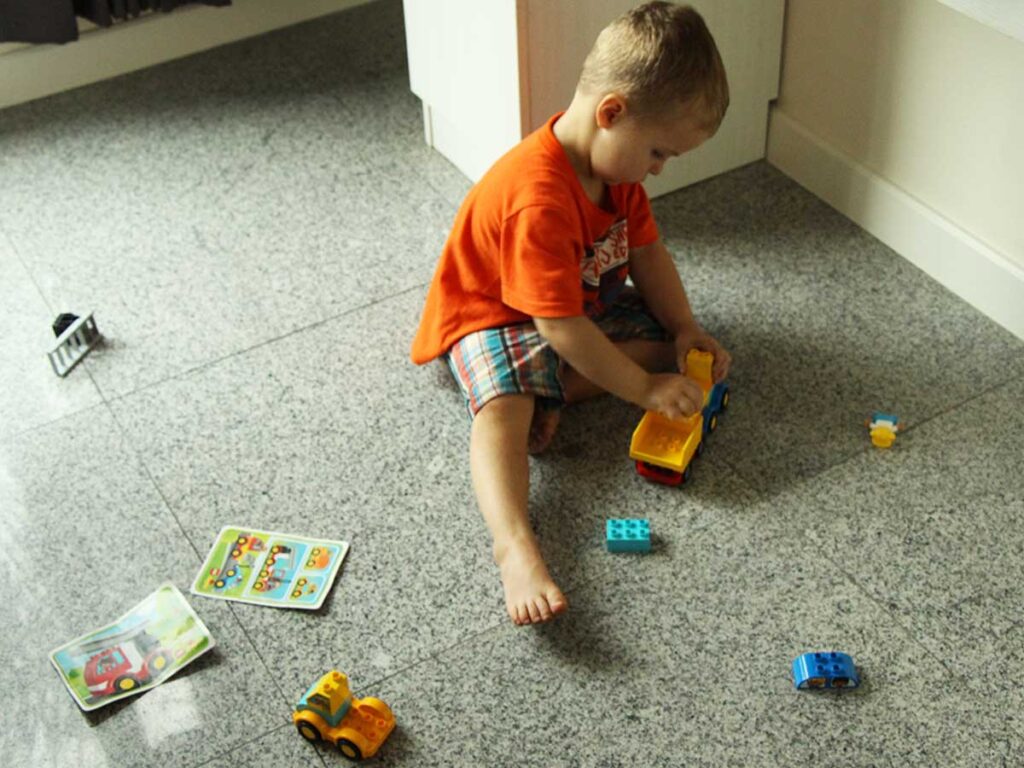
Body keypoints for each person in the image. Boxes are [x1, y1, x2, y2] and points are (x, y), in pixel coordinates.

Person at [410, 2, 732, 626]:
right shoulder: (538, 199)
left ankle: (550, 393)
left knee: (671, 346)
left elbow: (647, 253)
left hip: (575, 303)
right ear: (611, 113)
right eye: (660, 153)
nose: (659, 170)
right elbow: (554, 326)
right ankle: (514, 544)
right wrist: (640, 389)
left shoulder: (620, 173)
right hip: (492, 316)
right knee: (505, 404)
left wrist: (685, 326)